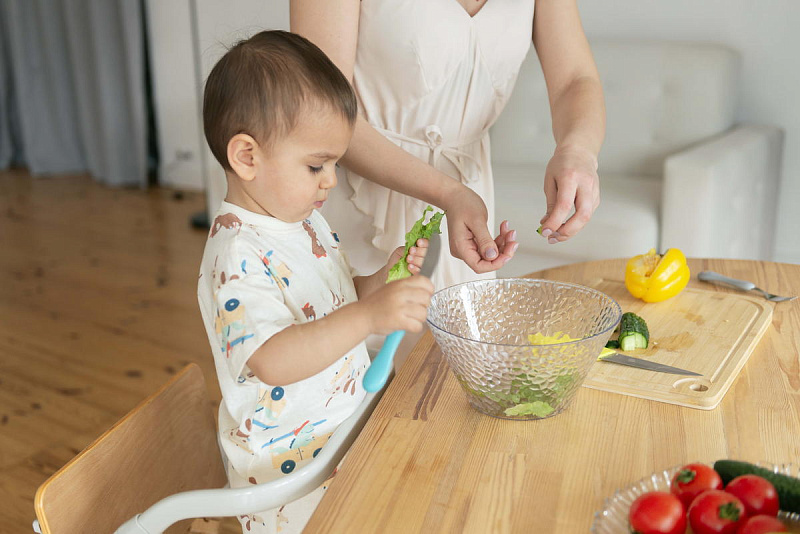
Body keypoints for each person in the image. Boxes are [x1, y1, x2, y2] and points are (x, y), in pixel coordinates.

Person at [197, 30, 433, 534]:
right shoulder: (236, 256)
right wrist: (368, 317)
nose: (331, 180)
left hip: (342, 434)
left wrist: (382, 283)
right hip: (290, 472)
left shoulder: (303, 221)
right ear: (247, 157)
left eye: (334, 164)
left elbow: (335, 306)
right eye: (315, 165)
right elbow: (273, 359)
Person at [290, 0, 604, 290]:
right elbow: (324, 113)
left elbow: (575, 80)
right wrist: (449, 194)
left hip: (468, 211)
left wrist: (577, 150)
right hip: (357, 204)